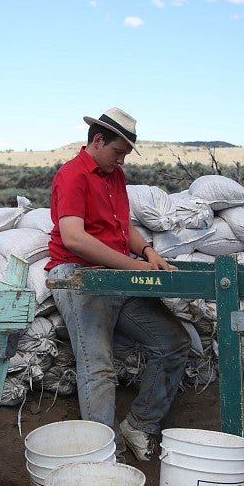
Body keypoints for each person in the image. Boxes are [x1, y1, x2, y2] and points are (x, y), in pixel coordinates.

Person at [45, 108, 191, 462]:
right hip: (80, 276)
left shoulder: (115, 175)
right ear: (98, 140)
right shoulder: (72, 175)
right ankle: (102, 457)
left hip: (117, 275)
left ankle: (140, 424)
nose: (121, 159)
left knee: (173, 343)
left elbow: (121, 224)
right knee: (98, 366)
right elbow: (74, 238)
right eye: (118, 151)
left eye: (125, 153)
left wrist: (147, 251)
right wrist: (132, 267)